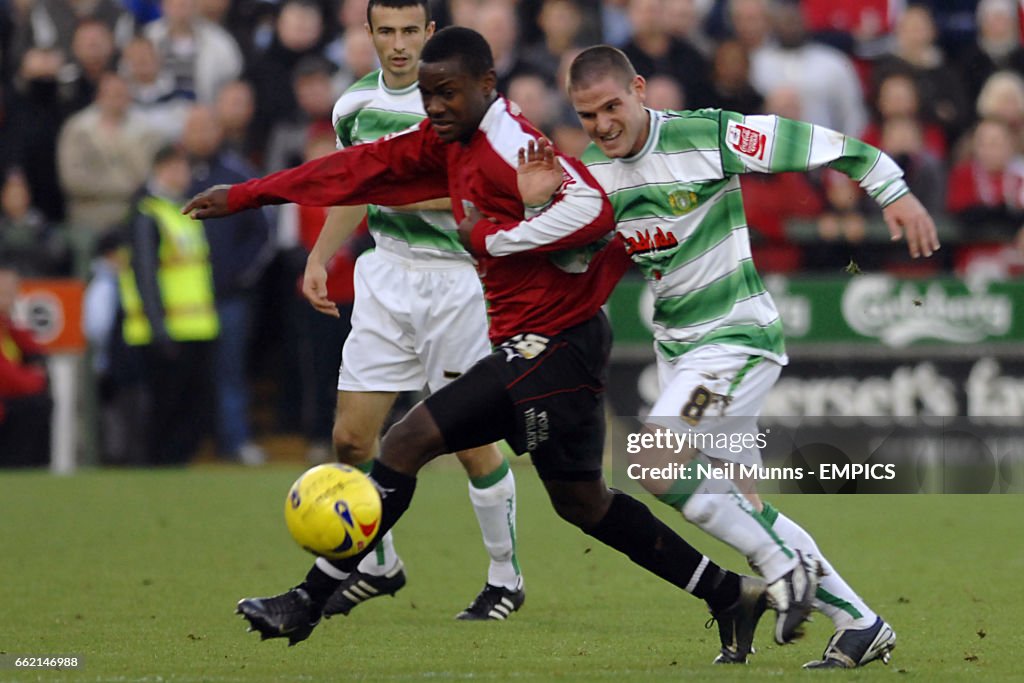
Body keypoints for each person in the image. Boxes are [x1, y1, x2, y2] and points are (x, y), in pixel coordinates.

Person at [185, 26, 814, 656]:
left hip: (552, 344)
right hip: (546, 340)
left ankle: (309, 598)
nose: (434, 107)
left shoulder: (510, 144)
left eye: (448, 93)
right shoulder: (453, 136)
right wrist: (246, 196)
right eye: (428, 94)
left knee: (407, 442)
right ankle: (731, 596)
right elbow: (356, 168)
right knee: (583, 502)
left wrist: (496, 235)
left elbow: (594, 207)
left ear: (487, 85)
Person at [525, 44, 941, 667]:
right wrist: (538, 207)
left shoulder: (707, 134)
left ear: (639, 89)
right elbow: (571, 268)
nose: (603, 124)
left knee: (656, 460)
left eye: (612, 106)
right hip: (681, 352)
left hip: (736, 338)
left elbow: (822, 143)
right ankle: (859, 622)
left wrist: (894, 191)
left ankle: (782, 571)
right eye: (588, 115)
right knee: (739, 507)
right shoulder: (589, 175)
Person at [299, 0, 524, 622]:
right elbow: (353, 185)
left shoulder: (463, 107)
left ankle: (504, 577)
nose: (398, 45)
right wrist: (321, 254)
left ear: (429, 33)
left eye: (408, 31)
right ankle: (379, 564)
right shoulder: (353, 108)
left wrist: (402, 189)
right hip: (384, 274)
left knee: (468, 443)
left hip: (458, 283)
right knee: (350, 439)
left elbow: (474, 191)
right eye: (385, 31)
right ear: (367, 34)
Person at [121, 143, 219, 465]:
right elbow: (146, 275)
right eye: (174, 167)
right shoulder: (148, 215)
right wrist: (158, 327)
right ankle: (155, 465)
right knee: (165, 408)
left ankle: (175, 465)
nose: (182, 174)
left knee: (193, 408)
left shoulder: (184, 213)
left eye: (184, 167)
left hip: (197, 327)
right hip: (166, 331)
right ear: (159, 170)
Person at [0, 262, 52, 468]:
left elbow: (34, 352)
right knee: (33, 405)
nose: (11, 297)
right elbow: (7, 375)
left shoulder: (9, 326)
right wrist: (36, 378)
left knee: (41, 402)